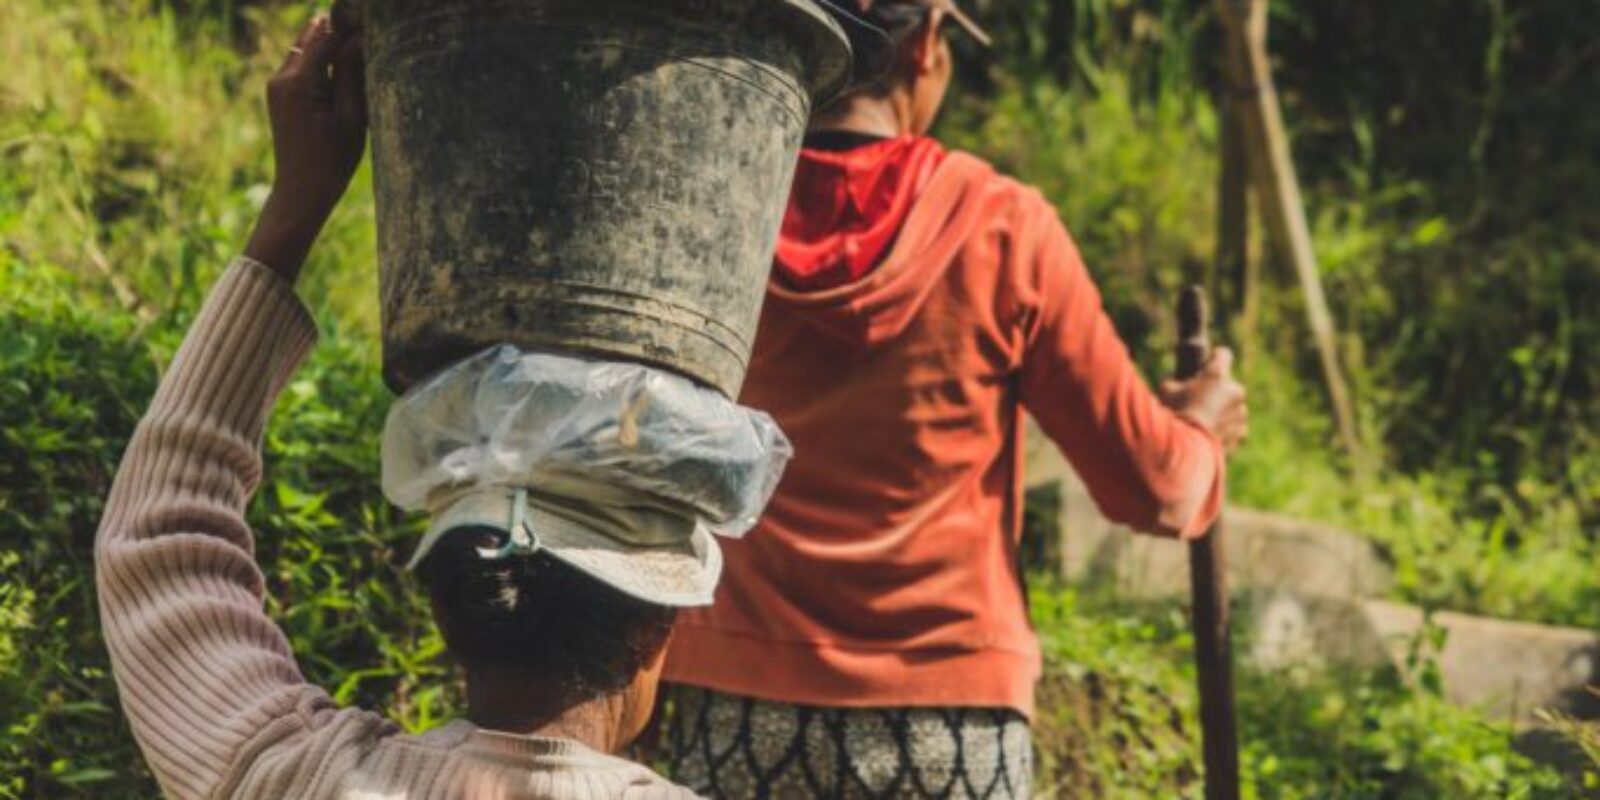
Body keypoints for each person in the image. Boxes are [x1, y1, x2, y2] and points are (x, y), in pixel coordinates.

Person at [95, 16, 704, 799]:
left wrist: (294, 208)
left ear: (454, 612)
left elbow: (160, 537)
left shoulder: (293, 779)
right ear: (656, 629)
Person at [660, 1, 1249, 797]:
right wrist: (1201, 428)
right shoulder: (1002, 227)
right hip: (949, 723)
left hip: (732, 705)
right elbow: (1154, 486)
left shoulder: (720, 205)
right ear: (928, 44)